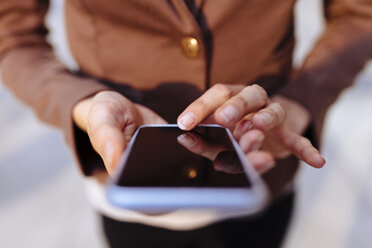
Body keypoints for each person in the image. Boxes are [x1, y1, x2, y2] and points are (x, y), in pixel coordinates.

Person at [0, 0, 371, 247]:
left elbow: (359, 13)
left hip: (263, 173)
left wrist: (302, 99)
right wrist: (81, 104)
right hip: (127, 193)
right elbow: (11, 34)